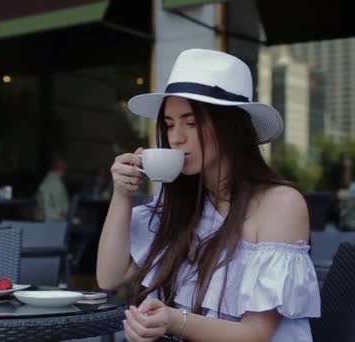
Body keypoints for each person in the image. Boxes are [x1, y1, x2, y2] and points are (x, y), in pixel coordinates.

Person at [97, 49, 320, 341]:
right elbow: (110, 277)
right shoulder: (181, 204)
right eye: (169, 124)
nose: (176, 137)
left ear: (230, 127)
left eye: (192, 123)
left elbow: (257, 335)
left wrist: (174, 321)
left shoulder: (280, 204)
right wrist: (123, 195)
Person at [36, 153, 69, 221]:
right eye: (64, 163)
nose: (66, 166)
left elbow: (40, 196)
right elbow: (59, 209)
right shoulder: (55, 181)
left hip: (49, 220)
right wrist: (71, 218)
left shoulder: (48, 180)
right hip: (56, 221)